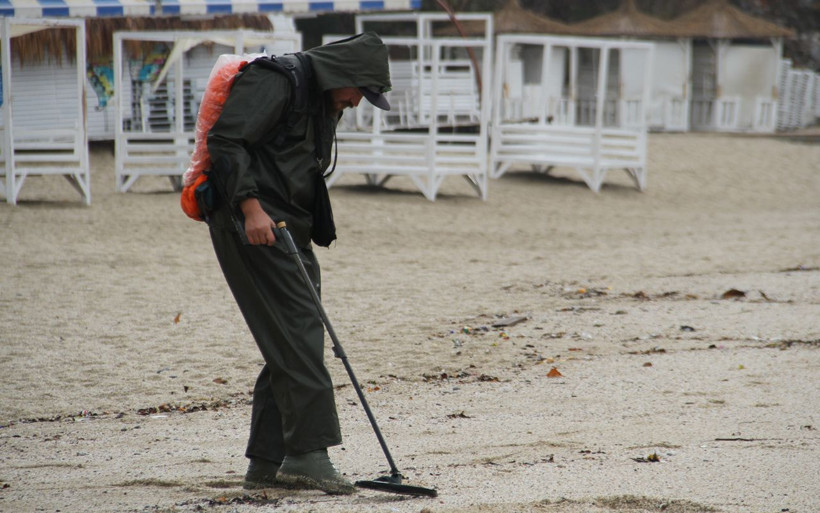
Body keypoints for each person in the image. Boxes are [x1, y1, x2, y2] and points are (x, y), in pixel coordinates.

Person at [204, 32, 392, 494]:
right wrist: (250, 209)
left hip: (290, 227)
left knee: (290, 336)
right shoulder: (278, 81)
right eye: (359, 92)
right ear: (343, 75)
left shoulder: (319, 96)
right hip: (254, 224)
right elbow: (226, 141)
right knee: (300, 333)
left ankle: (269, 462)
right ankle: (308, 455)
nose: (357, 102)